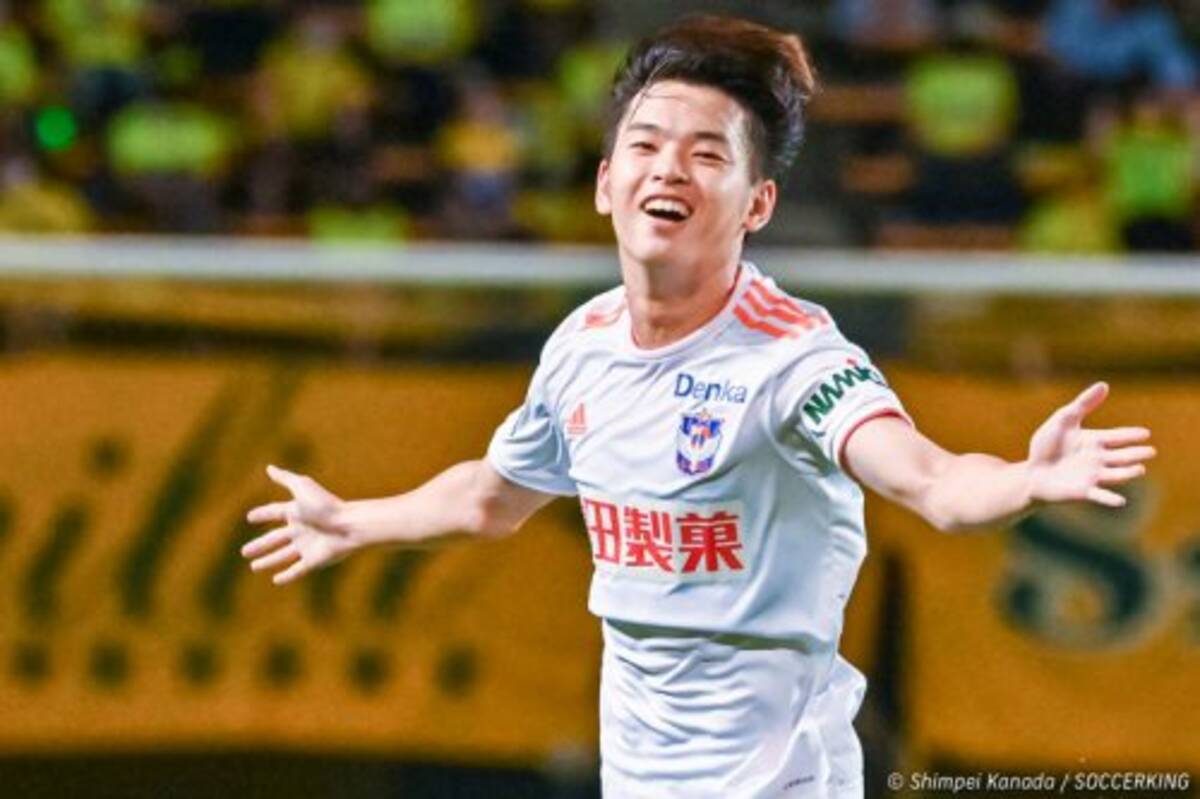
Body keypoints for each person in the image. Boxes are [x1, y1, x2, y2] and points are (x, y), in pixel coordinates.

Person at [241, 16, 1155, 798]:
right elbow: (490, 497)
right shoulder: (581, 347)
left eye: (707, 154)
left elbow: (932, 480)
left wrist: (1023, 480)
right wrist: (353, 520)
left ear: (758, 203)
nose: (669, 168)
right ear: (606, 182)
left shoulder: (794, 358)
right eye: (646, 146)